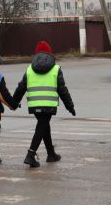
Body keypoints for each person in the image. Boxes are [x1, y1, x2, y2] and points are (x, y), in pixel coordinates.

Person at [13, 40, 75, 168]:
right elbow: (62, 90)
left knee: (44, 126)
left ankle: (51, 154)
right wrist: (70, 106)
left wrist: (13, 102)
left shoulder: (29, 69)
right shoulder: (56, 68)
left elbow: (21, 87)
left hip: (34, 104)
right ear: (50, 53)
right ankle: (30, 154)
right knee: (42, 127)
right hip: (48, 104)